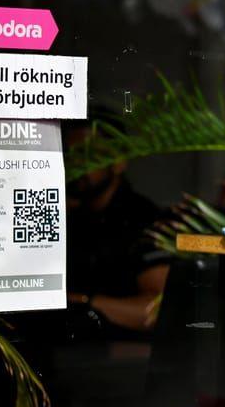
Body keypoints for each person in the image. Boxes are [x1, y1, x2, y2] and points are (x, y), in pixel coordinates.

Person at [64, 117, 171, 332]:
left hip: (127, 346)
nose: (76, 163)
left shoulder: (144, 219)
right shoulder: (70, 216)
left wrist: (82, 302)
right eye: (68, 154)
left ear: (118, 162)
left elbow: (157, 309)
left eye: (87, 154)